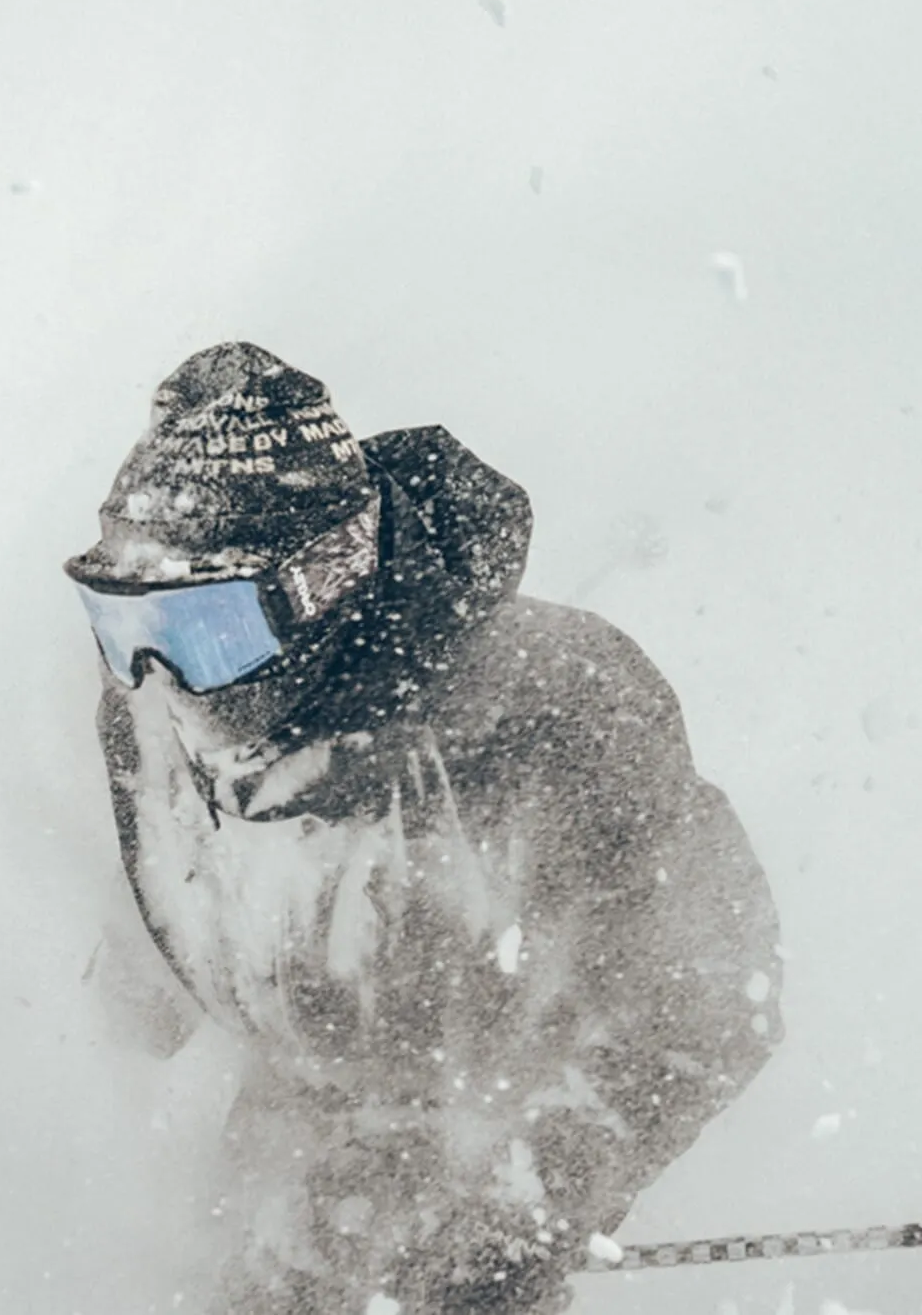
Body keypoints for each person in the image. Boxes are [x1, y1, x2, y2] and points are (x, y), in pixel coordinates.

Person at [64, 342, 783, 1315]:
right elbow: (148, 936)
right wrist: (115, 1021)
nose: (162, 683)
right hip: (279, 1176)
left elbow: (703, 1003)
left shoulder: (561, 711)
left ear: (326, 580)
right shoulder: (144, 714)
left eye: (209, 632)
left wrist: (524, 1214)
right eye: (123, 626)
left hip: (491, 1153)